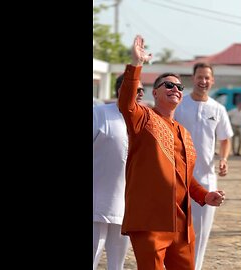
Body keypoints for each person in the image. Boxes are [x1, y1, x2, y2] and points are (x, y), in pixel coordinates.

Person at [118, 35, 226, 270]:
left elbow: (185, 178)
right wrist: (136, 64)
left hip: (182, 224)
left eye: (179, 87)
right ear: (154, 93)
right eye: (168, 85)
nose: (175, 89)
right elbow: (126, 103)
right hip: (150, 221)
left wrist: (204, 195)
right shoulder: (143, 119)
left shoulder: (184, 134)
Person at [174, 62, 234, 270]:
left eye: (207, 77)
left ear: (213, 80)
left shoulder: (217, 109)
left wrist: (223, 159)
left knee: (200, 233)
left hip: (206, 179)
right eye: (200, 77)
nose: (203, 81)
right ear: (193, 78)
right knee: (175, 231)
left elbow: (225, 138)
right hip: (178, 177)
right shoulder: (180, 105)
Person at [93, 74, 146, 270]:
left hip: (127, 206)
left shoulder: (144, 120)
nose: (141, 93)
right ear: (122, 89)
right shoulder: (99, 114)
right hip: (97, 203)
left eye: (142, 90)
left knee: (117, 264)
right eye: (137, 89)